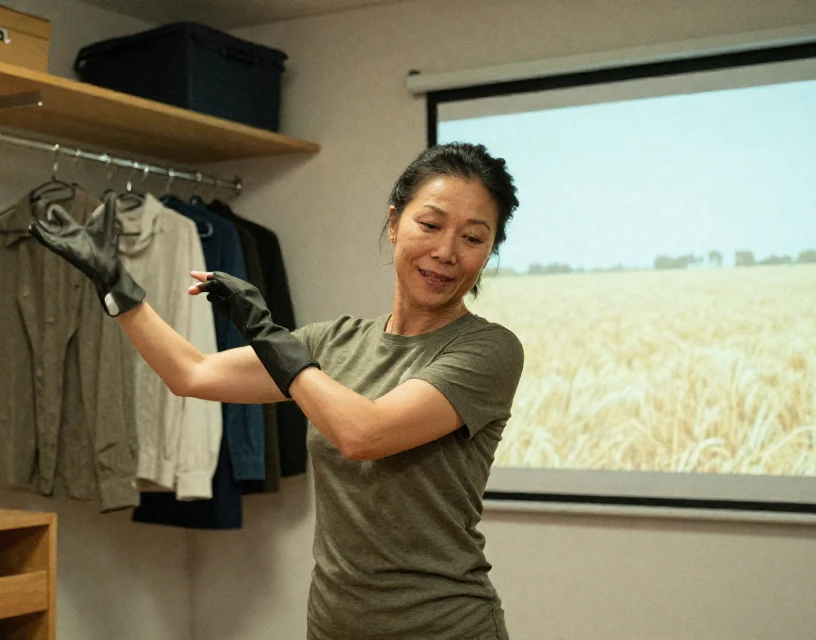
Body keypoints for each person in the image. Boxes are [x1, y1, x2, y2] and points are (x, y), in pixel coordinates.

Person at [29, 141, 525, 640]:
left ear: (489, 251)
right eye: (431, 225)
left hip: (447, 628)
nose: (446, 252)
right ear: (394, 222)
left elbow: (364, 434)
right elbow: (191, 373)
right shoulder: (334, 343)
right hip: (334, 626)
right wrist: (117, 285)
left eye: (472, 238)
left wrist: (266, 334)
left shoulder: (489, 350)